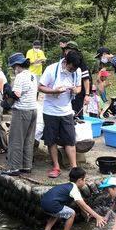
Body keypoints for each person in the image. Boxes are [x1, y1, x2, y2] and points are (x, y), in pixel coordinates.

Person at [38, 50, 82, 178]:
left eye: (75, 69)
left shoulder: (76, 71)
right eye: (71, 68)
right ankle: (56, 167)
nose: (72, 71)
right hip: (50, 110)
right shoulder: (51, 69)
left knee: (70, 139)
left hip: (67, 111)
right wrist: (53, 91)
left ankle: (74, 168)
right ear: (66, 62)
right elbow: (40, 87)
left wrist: (75, 90)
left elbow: (79, 88)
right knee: (51, 140)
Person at [40, 167, 106, 230]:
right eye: (85, 179)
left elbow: (79, 203)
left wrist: (84, 212)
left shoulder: (68, 186)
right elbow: (84, 205)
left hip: (44, 203)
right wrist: (97, 216)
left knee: (57, 212)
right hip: (52, 205)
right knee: (71, 213)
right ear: (80, 180)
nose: (85, 182)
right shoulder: (74, 190)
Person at [2, 52, 38, 176]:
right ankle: (26, 166)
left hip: (22, 111)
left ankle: (14, 168)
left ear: (17, 65)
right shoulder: (32, 75)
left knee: (16, 140)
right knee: (28, 139)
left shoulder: (20, 76)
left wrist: (7, 95)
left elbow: (16, 95)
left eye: (13, 67)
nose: (13, 69)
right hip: (33, 109)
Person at [61, 41, 90, 119]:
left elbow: (86, 79)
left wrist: (87, 95)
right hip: (67, 92)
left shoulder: (80, 61)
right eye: (65, 50)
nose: (66, 52)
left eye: (68, 50)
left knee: (77, 113)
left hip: (78, 91)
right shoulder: (64, 60)